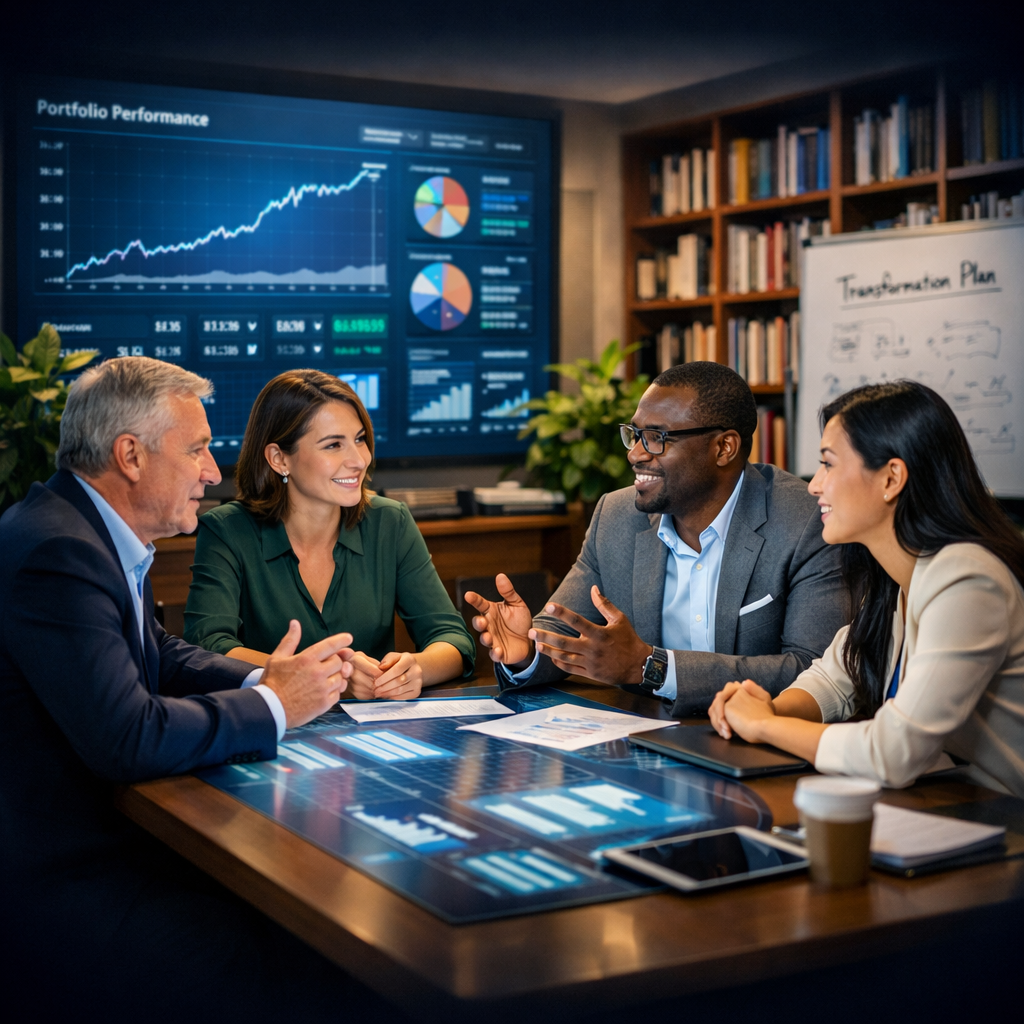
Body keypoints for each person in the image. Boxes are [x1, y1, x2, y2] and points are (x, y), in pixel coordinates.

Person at [0, 357, 408, 1023]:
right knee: (312, 953)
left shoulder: (75, 529)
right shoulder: (59, 554)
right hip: (69, 882)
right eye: (196, 450)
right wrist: (278, 706)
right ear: (130, 455)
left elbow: (153, 654)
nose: (213, 472)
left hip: (105, 847)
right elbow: (129, 738)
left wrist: (270, 678)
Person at [466, 362, 849, 716]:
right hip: (647, 737)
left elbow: (814, 670)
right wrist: (528, 650)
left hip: (761, 743)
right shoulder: (616, 517)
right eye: (634, 434)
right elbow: (570, 635)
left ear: (724, 448)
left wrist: (652, 667)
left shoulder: (805, 521)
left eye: (656, 438)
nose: (635, 454)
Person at [708, 380, 1024, 797]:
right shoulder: (897, 576)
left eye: (828, 464)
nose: (814, 485)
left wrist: (764, 724)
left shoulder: (968, 579)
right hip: (942, 804)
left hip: (1002, 825)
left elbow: (893, 753)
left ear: (891, 478)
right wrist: (764, 707)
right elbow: (836, 678)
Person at [184, 369, 474, 698]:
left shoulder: (390, 520)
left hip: (372, 731)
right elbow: (208, 649)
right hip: (271, 725)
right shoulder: (226, 530)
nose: (358, 460)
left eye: (360, 439)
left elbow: (452, 639)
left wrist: (415, 670)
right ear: (279, 459)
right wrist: (329, 677)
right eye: (333, 445)